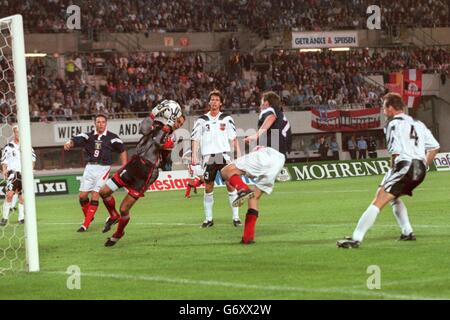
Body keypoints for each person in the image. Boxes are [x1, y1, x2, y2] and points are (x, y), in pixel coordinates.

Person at [337, 93, 440, 249]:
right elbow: (435, 147)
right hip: (419, 167)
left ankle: (356, 239)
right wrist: (423, 166)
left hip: (404, 165)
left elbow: (395, 151)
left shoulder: (393, 124)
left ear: (391, 108)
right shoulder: (418, 123)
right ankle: (407, 232)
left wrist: (394, 167)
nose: (383, 110)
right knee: (392, 197)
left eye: (384, 106)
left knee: (379, 199)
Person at [100, 100, 185, 247]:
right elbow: (143, 128)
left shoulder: (171, 138)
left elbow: (165, 161)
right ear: (170, 116)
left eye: (180, 124)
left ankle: (119, 233)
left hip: (147, 173)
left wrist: (167, 153)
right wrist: (153, 112)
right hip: (134, 165)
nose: (178, 124)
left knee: (124, 208)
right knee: (104, 192)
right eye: (177, 121)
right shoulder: (156, 125)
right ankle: (113, 215)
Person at [64, 114, 127, 233]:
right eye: (98, 122)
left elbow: (122, 150)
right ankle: (90, 216)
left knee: (95, 194)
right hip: (90, 168)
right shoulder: (88, 136)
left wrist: (124, 166)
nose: (101, 124)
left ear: (106, 123)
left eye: (103, 122)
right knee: (82, 196)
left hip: (103, 168)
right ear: (95, 123)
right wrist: (69, 143)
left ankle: (85, 224)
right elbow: (75, 139)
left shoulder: (112, 137)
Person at [191, 90, 242, 228]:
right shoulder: (201, 120)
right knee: (208, 187)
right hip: (208, 158)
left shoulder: (227, 118)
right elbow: (195, 139)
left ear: (221, 103)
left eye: (216, 100)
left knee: (230, 185)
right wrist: (194, 157)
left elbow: (233, 138)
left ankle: (236, 218)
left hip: (224, 156)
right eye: (212, 99)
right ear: (209, 102)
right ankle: (208, 219)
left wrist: (239, 156)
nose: (214, 102)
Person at [0, 126, 36, 226]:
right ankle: (4, 218)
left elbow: (33, 159)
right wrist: (4, 170)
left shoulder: (27, 146)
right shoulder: (8, 146)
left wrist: (31, 171)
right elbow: (4, 160)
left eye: (20, 133)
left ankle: (21, 218)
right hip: (13, 173)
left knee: (22, 197)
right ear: (14, 133)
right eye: (17, 132)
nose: (18, 134)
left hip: (24, 174)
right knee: (9, 195)